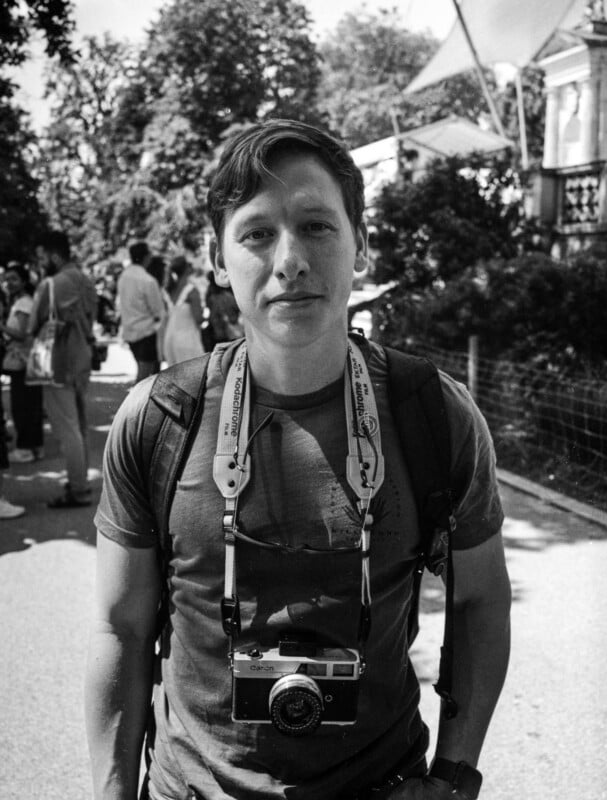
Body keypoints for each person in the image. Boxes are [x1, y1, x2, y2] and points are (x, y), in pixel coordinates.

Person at [87, 120, 511, 800]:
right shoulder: (159, 419)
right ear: (217, 257)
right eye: (256, 233)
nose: (289, 259)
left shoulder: (435, 416)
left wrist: (455, 778)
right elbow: (122, 626)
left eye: (317, 225)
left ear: (361, 244)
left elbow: (482, 601)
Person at [30, 230, 97, 508]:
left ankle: (78, 489)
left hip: (57, 359)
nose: (40, 262)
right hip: (82, 355)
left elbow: (33, 324)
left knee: (67, 428)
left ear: (54, 255)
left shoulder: (52, 284)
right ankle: (79, 482)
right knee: (78, 425)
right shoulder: (86, 280)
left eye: (42, 256)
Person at [1, 262, 44, 463]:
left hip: (23, 361)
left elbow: (23, 333)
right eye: (7, 278)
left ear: (24, 281)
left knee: (22, 406)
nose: (9, 283)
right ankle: (34, 447)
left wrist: (1, 327)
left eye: (14, 279)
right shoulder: (22, 301)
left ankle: (26, 448)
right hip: (27, 360)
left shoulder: (24, 303)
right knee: (30, 404)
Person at [117, 241, 166, 382]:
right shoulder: (147, 280)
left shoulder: (123, 277)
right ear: (146, 257)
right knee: (145, 377)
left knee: (142, 373)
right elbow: (158, 310)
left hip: (130, 330)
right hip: (146, 332)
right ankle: (138, 403)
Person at [162, 254, 205, 366]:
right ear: (187, 269)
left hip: (169, 340)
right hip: (188, 340)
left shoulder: (168, 291)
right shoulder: (191, 290)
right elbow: (198, 318)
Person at [202, 269, 243, 350]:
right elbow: (236, 307)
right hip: (232, 329)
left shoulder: (209, 295)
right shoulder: (225, 295)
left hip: (218, 332)